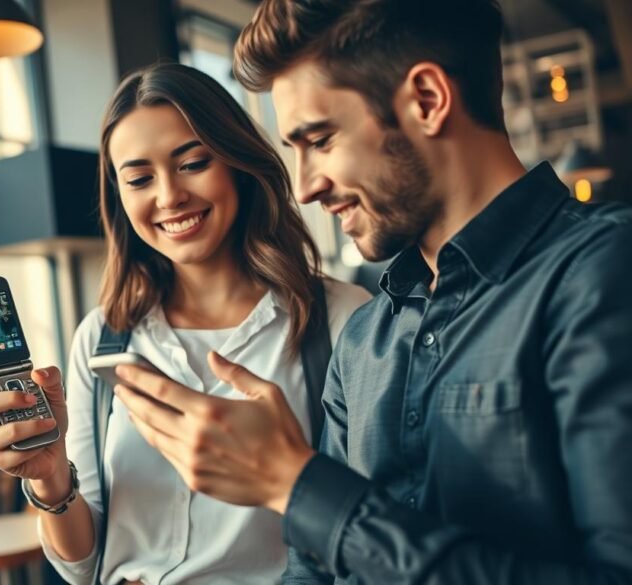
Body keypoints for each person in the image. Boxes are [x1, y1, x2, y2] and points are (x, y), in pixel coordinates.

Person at [111, 1, 632, 583]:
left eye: (320, 139)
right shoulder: (365, 340)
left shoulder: (603, 274)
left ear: (427, 100)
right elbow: (314, 568)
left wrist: (295, 482)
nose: (305, 188)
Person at [0, 63, 369, 584]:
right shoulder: (101, 338)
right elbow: (82, 566)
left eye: (193, 163)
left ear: (238, 163)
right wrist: (49, 478)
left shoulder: (339, 319)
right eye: (139, 178)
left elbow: (366, 529)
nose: (169, 196)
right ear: (120, 196)